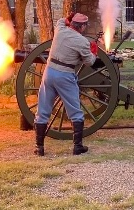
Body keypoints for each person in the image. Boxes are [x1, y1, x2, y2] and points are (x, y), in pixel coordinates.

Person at [33, 12, 97, 156]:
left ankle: (39, 147)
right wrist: (94, 53)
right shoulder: (82, 42)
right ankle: (77, 146)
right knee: (75, 111)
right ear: (82, 27)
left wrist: (69, 17)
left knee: (42, 111)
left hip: (49, 73)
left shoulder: (60, 29)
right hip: (65, 76)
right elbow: (89, 62)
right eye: (85, 25)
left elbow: (61, 20)